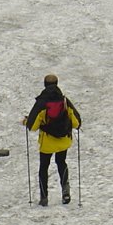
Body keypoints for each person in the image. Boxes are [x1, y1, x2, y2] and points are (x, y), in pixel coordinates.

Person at [23, 73, 82, 206]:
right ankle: (65, 192)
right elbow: (77, 123)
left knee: (44, 167)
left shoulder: (41, 103)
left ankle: (44, 198)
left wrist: (26, 121)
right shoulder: (65, 101)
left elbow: (32, 126)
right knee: (61, 163)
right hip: (63, 141)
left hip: (47, 143)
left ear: (44, 84)